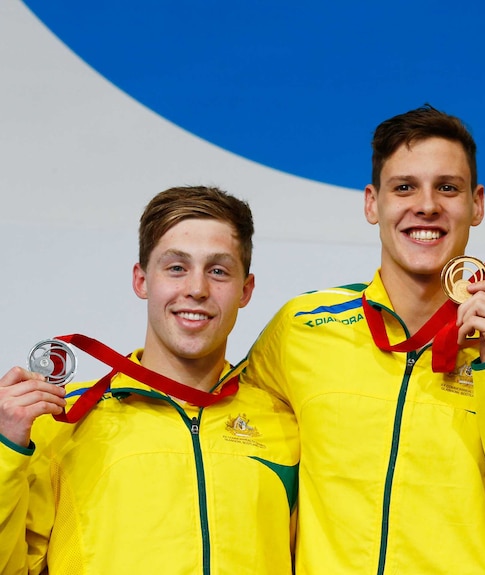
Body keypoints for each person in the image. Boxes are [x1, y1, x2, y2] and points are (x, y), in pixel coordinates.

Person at [242, 105, 485, 574]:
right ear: (373, 203)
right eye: (404, 187)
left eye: (447, 188)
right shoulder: (303, 328)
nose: (427, 205)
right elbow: (224, 451)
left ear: (477, 204)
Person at [0, 186, 299, 574]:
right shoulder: (61, 420)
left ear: (245, 290)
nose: (196, 289)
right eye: (176, 267)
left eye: (218, 271)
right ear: (142, 280)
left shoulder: (285, 424)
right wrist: (6, 447)